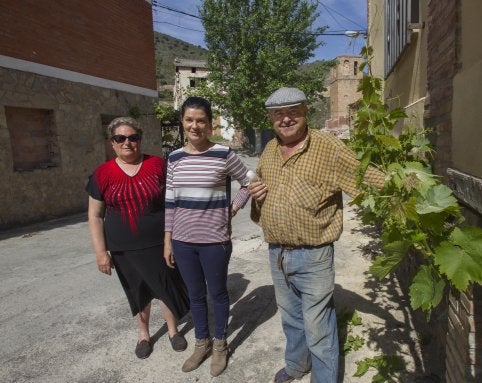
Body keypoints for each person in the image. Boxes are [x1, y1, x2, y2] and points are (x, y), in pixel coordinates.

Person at [248, 87, 385, 383]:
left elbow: (368, 178)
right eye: (278, 114)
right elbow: (262, 192)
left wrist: (406, 190)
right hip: (277, 253)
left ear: (306, 112)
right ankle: (297, 365)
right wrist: (257, 195)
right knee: (291, 318)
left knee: (319, 327)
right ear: (270, 117)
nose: (285, 119)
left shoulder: (328, 148)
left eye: (292, 112)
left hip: (314, 255)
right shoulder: (269, 150)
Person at [86, 117, 190, 360]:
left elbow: (174, 202)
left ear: (140, 139)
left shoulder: (158, 165)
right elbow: (94, 215)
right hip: (123, 248)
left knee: (165, 286)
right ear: (112, 143)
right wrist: (101, 252)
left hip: (159, 243)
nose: (127, 143)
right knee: (137, 291)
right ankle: (143, 334)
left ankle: (173, 331)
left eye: (133, 137)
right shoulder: (102, 174)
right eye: (120, 138)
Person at [164, 96, 251, 377]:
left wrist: (233, 208)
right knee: (195, 295)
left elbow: (249, 182)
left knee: (217, 293)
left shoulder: (224, 154)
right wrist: (168, 240)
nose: (195, 125)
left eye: (201, 120)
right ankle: (201, 344)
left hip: (215, 241)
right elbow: (170, 201)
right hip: (183, 241)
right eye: (189, 120)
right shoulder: (174, 158)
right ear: (182, 122)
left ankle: (220, 345)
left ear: (210, 123)